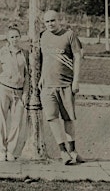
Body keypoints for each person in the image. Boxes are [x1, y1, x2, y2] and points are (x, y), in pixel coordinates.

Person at [39, 10, 83, 165]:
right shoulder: (43, 36)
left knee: (68, 118)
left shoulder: (69, 35)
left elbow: (77, 56)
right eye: (47, 22)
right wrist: (42, 78)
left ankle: (73, 151)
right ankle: (63, 151)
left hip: (65, 84)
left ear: (59, 20)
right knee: (51, 117)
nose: (50, 24)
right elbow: (43, 59)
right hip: (48, 86)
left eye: (53, 21)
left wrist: (76, 80)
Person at [0, 25, 30, 162]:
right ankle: (1, 150)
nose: (14, 39)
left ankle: (11, 150)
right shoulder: (3, 52)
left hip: (19, 92)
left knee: (17, 123)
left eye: (16, 36)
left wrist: (25, 93)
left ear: (20, 37)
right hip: (3, 89)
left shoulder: (25, 53)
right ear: (7, 38)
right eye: (12, 37)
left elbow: (27, 75)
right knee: (1, 120)